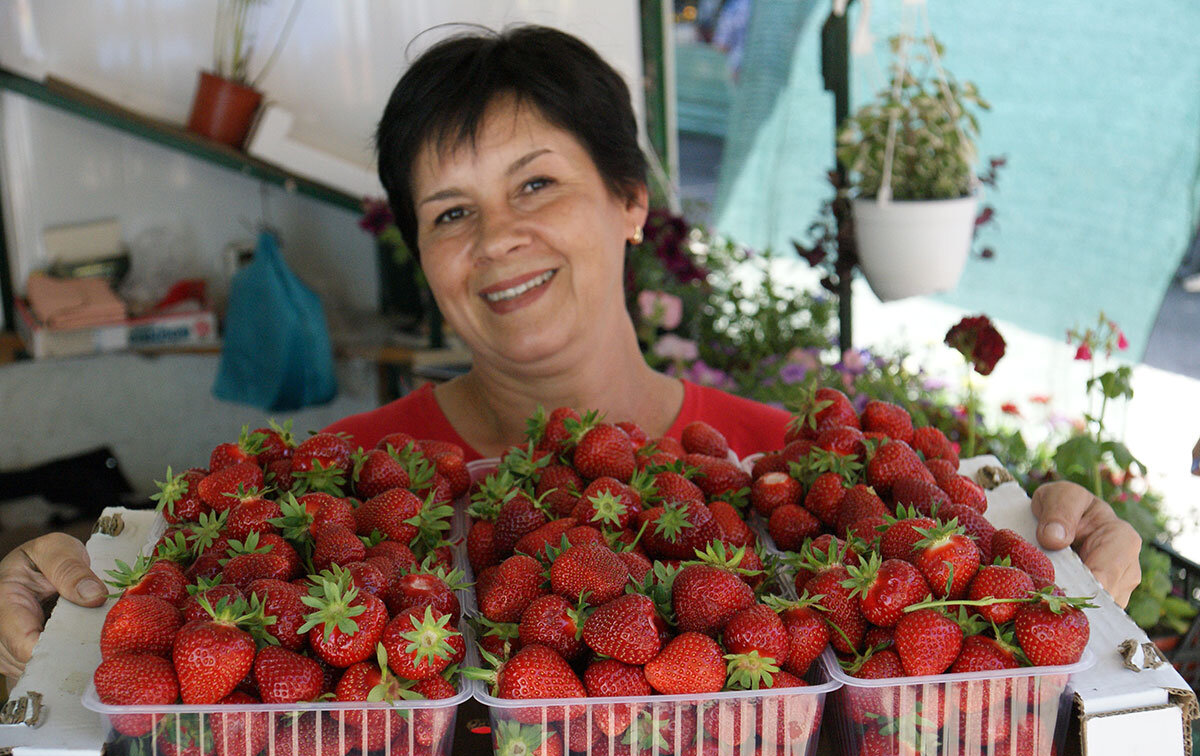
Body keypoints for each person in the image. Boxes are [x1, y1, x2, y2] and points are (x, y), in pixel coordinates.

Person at [0, 25, 1142, 682]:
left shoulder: (794, 475)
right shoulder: (327, 492)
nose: (497, 239)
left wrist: (1057, 557)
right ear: (425, 258)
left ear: (632, 202)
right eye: (449, 214)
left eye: (536, 184)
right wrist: (61, 615)